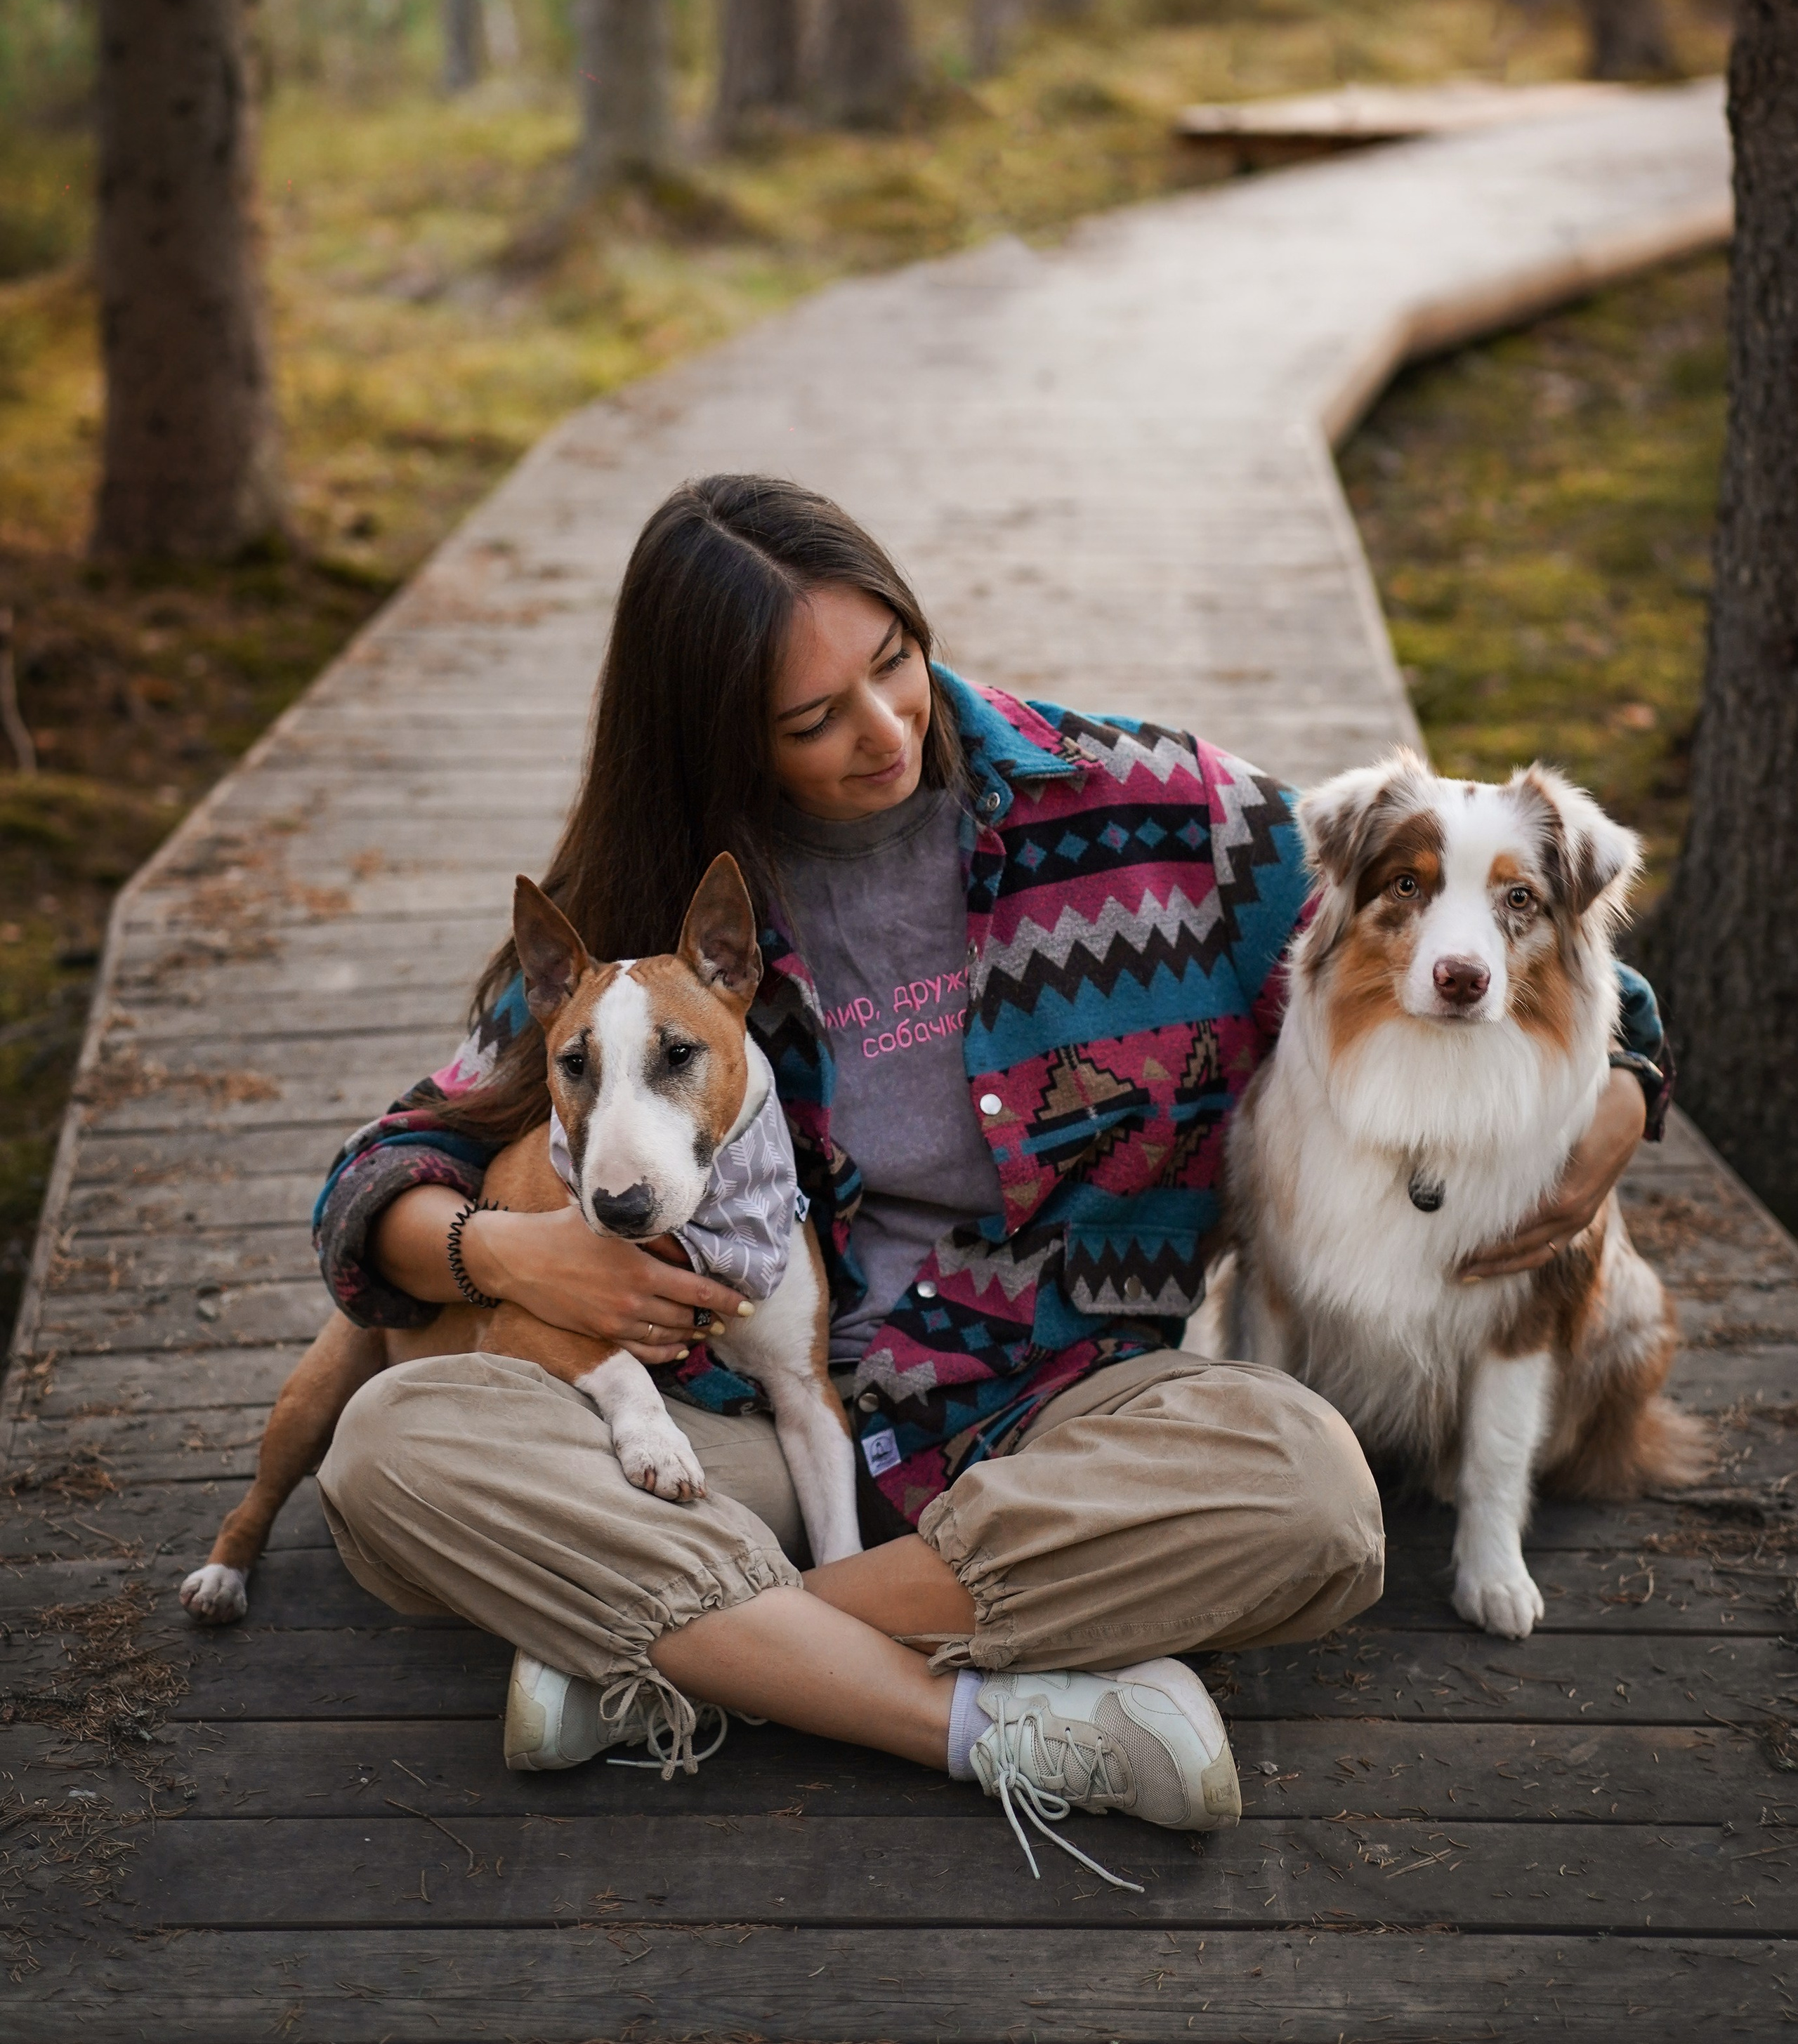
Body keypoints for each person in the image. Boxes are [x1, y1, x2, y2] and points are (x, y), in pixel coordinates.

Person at [312, 475, 1668, 1882]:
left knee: (1315, 1497)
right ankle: (971, 1719)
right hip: (743, 1423)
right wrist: (503, 1257)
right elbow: (382, 1174)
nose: (884, 728)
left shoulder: (1151, 812)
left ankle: (697, 1649)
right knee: (396, 1447)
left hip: (1067, 1413)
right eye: (810, 718)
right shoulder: (661, 906)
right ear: (717, 729)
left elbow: (1529, 947)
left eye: (890, 661)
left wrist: (1627, 1090)